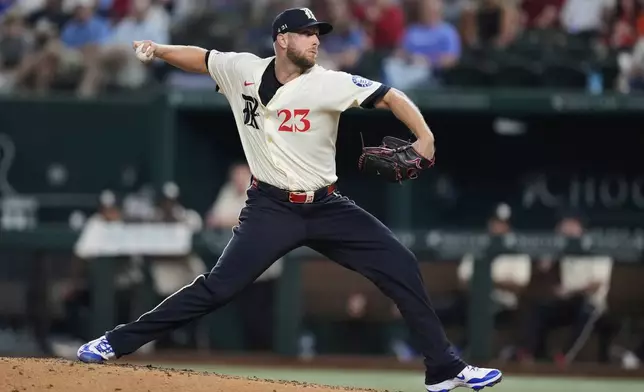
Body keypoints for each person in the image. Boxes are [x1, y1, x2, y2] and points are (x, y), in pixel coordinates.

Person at [76, 8, 502, 391]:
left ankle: (443, 366)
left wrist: (425, 136)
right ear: (282, 39)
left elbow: (391, 96)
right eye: (306, 33)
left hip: (327, 206)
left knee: (401, 265)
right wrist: (158, 48)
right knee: (217, 289)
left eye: (318, 34)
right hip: (271, 208)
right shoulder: (242, 69)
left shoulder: (329, 82)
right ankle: (114, 341)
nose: (316, 40)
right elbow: (202, 57)